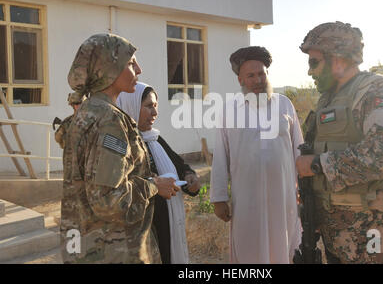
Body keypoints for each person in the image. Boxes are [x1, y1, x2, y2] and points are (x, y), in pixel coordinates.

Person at [296, 21, 383, 264]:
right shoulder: (329, 100)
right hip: (339, 234)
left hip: (374, 231)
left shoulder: (378, 93)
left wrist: (318, 164)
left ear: (338, 59)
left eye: (314, 62)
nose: (310, 72)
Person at [61, 33, 180, 264]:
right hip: (115, 250)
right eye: (130, 63)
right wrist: (154, 186)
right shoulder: (109, 120)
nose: (139, 69)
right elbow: (108, 201)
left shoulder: (87, 111)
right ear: (109, 69)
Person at [210, 46, 303, 264]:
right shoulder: (229, 110)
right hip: (246, 199)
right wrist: (219, 198)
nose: (257, 80)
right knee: (249, 252)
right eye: (250, 75)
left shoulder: (285, 105)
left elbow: (299, 149)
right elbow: (221, 156)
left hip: (283, 197)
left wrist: (304, 190)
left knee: (284, 248)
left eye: (261, 73)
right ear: (241, 80)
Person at [117, 82, 201, 264]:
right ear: (130, 106)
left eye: (155, 106)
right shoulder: (123, 144)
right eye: (148, 106)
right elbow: (120, 187)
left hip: (168, 226)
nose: (154, 113)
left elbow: (180, 166)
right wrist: (155, 186)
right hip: (146, 232)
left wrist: (190, 177)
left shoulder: (154, 139)